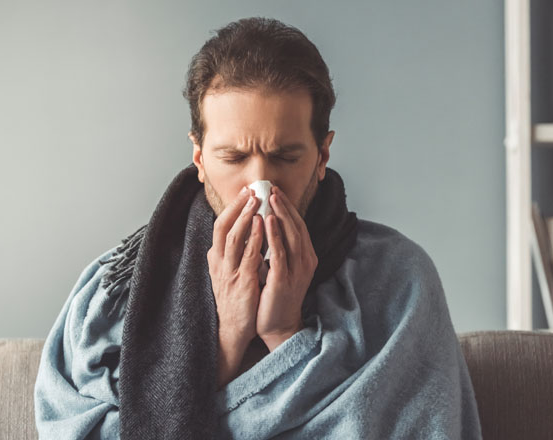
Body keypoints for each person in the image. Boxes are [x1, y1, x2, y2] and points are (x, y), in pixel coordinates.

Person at [34, 16, 482, 439]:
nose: (260, 185)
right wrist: (226, 341)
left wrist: (284, 334)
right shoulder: (113, 292)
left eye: (286, 157)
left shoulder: (399, 281)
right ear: (199, 157)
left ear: (322, 155)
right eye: (233, 158)